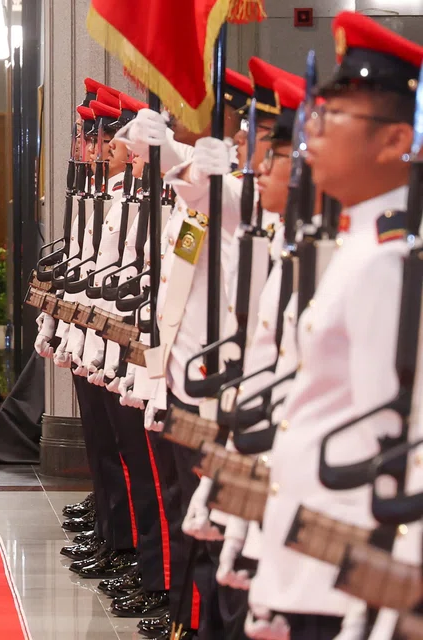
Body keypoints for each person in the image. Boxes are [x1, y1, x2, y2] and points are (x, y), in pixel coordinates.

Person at [247, 12, 421, 639]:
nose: (309, 139)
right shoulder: (356, 247)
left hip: (344, 559)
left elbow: (390, 437)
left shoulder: (390, 262)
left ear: (395, 139)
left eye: (332, 119)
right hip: (310, 548)